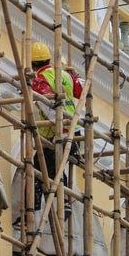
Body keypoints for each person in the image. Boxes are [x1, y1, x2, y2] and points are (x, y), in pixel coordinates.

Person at [30, 41, 84, 215]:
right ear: (48, 59)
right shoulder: (63, 74)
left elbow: (48, 105)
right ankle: (64, 202)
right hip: (75, 132)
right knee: (54, 167)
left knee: (40, 167)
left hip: (60, 132)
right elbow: (82, 89)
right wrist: (77, 75)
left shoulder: (40, 80)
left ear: (32, 64)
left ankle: (32, 208)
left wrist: (56, 123)